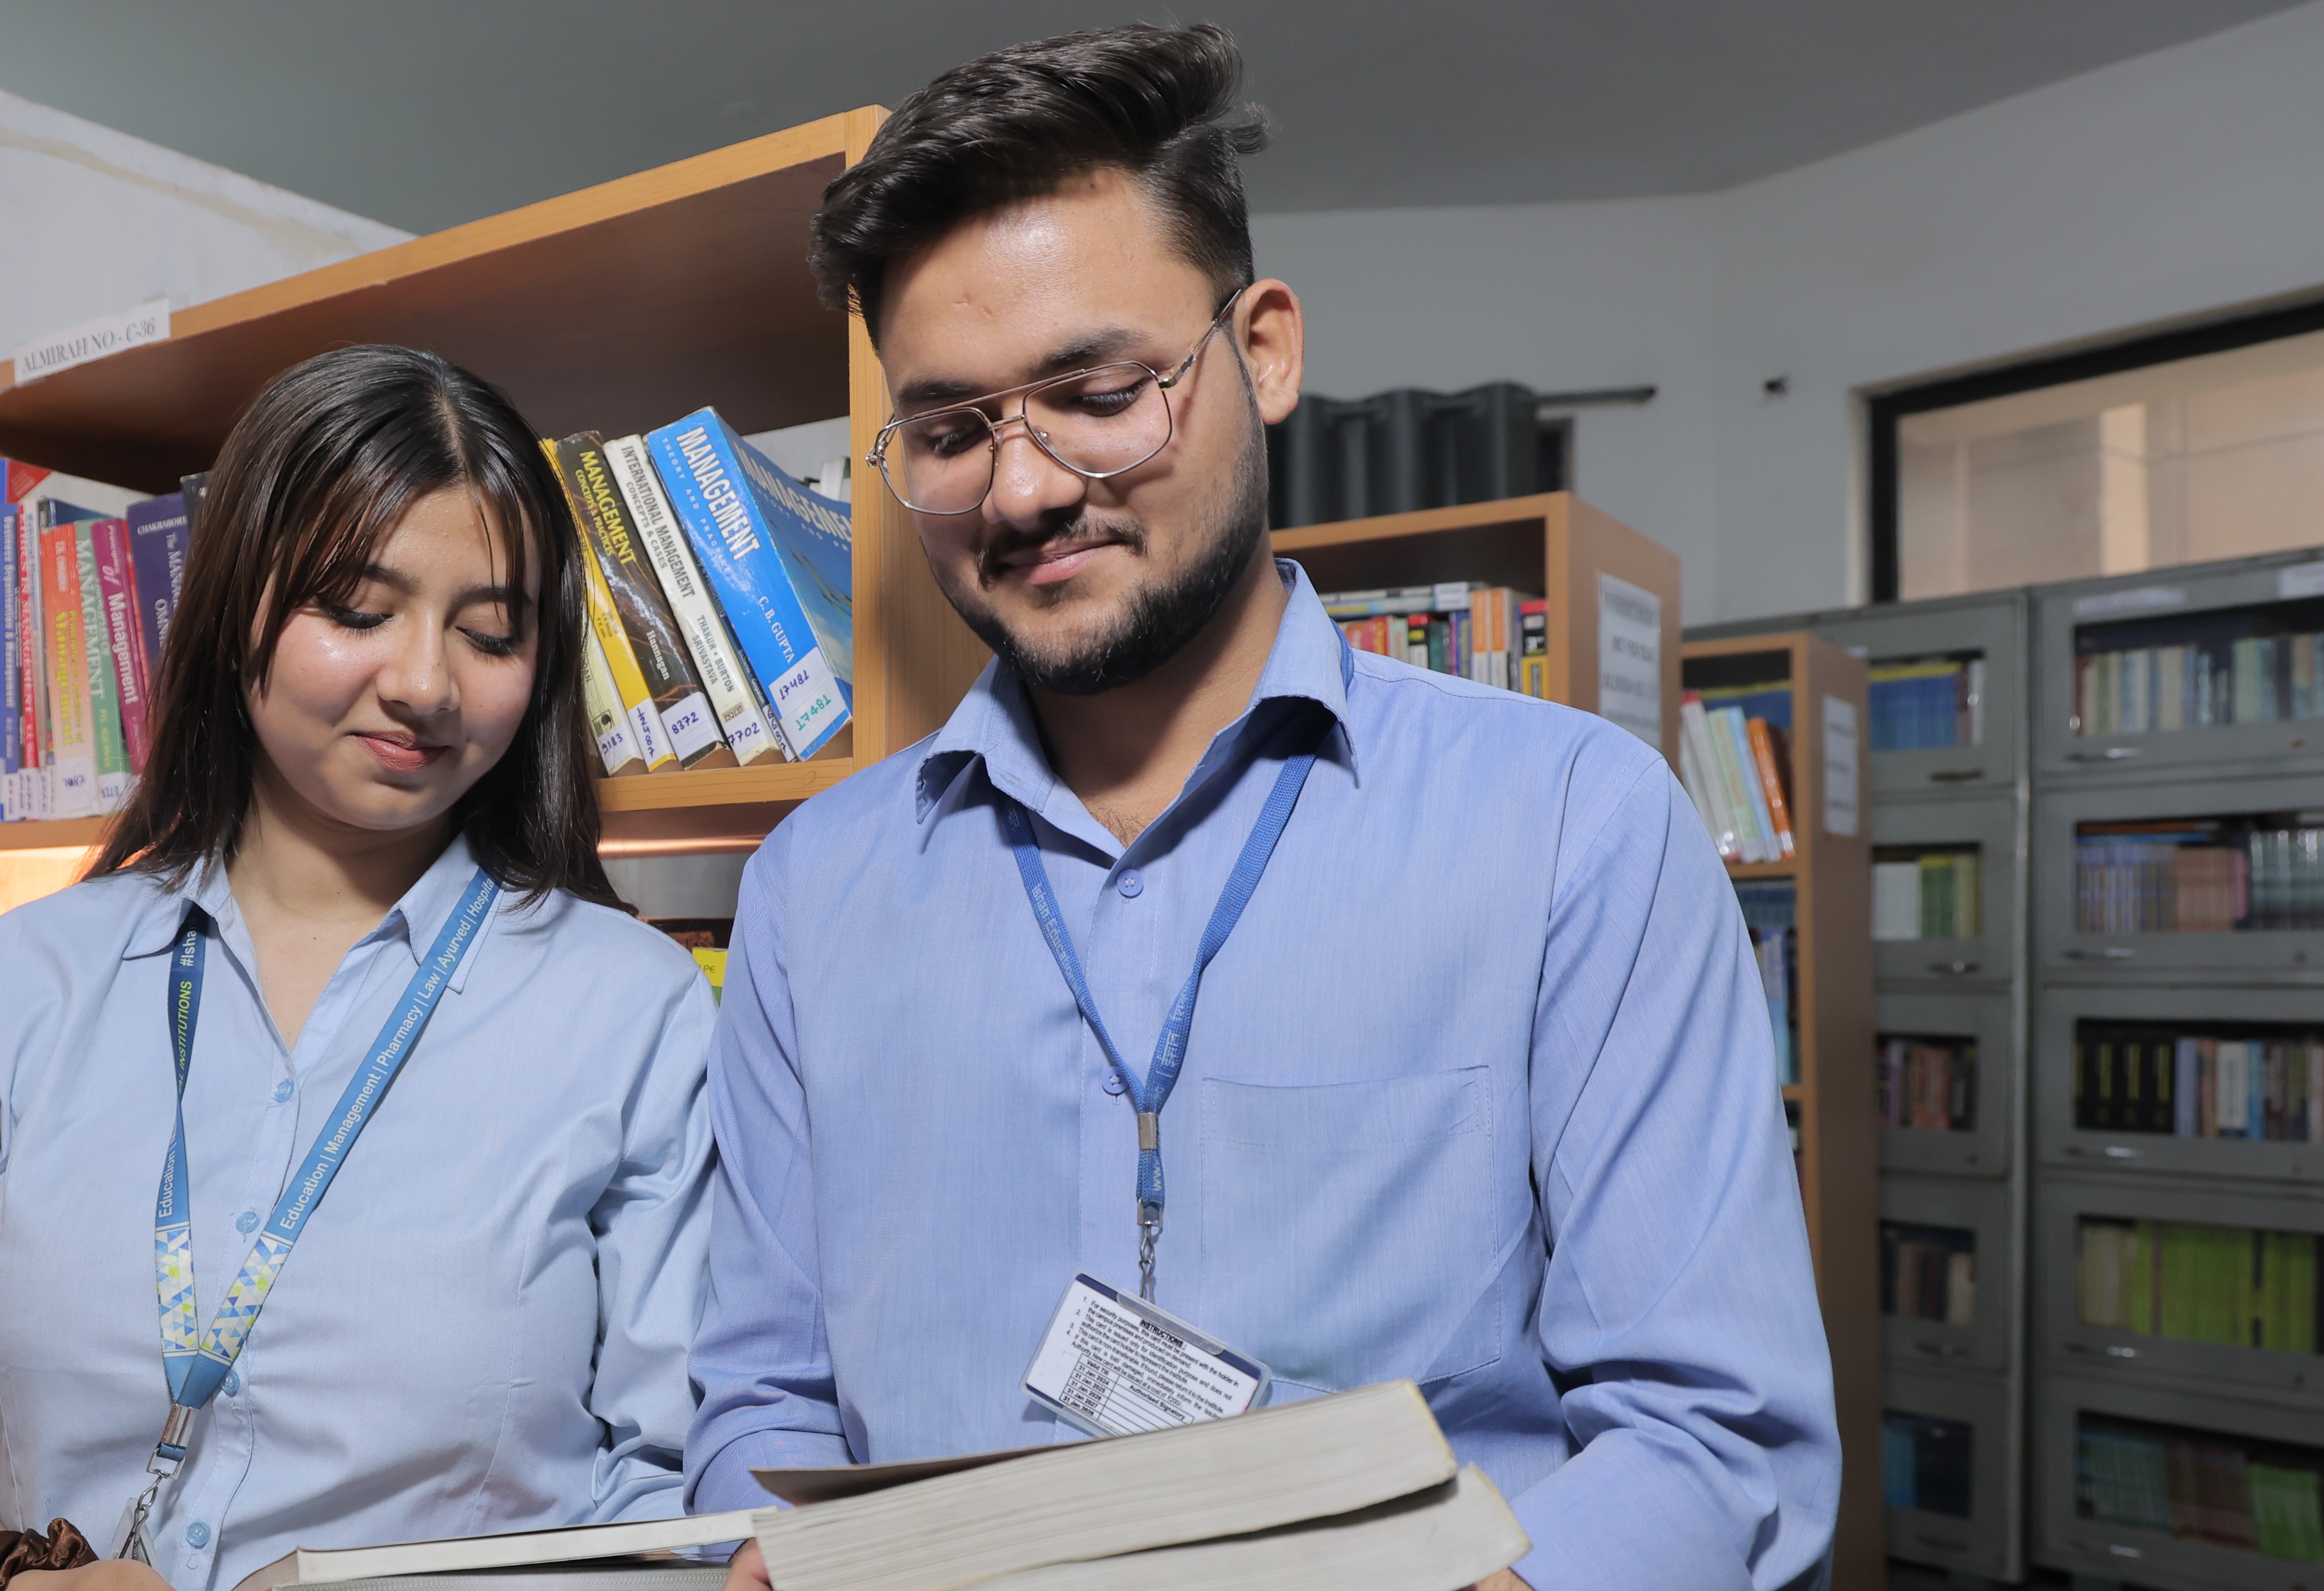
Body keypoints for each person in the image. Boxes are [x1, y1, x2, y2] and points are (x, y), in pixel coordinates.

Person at [688, 25, 1838, 1590]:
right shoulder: (812, 888)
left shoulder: (1575, 828)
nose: (1022, 491)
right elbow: (760, 1398)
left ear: (1268, 351)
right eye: (952, 432)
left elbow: (1713, 1433)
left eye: (1096, 392)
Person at [0, 347, 716, 1591]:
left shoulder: (636, 1010)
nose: (427, 684)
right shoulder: (32, 979)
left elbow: (684, 1513)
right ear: (235, 615)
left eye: (489, 631)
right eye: (358, 611)